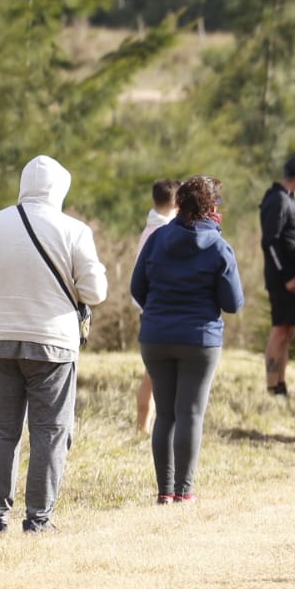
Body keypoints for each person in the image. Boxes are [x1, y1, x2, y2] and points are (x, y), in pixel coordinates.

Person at [0, 156, 108, 536]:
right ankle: (38, 519)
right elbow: (96, 291)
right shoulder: (74, 230)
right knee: (49, 432)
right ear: (61, 189)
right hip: (54, 344)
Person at [131, 175, 244, 504]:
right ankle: (184, 491)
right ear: (212, 207)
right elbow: (233, 304)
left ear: (179, 204)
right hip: (200, 339)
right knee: (191, 414)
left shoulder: (157, 239)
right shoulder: (220, 247)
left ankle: (164, 491)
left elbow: (138, 288)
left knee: (165, 414)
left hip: (156, 335)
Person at [259, 154, 295, 396]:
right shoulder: (278, 201)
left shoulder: (291, 200)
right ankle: (272, 385)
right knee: (279, 329)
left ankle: (281, 383)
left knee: (288, 330)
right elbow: (270, 243)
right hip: (283, 280)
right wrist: (285, 277)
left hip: (294, 277)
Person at [133, 177, 180, 434]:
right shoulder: (165, 233)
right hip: (158, 310)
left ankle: (146, 426)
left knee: (152, 373)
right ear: (177, 202)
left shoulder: (148, 230)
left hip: (148, 309)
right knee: (154, 374)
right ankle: (145, 427)